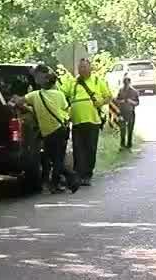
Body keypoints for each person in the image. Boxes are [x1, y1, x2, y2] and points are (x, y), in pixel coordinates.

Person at [18, 65, 77, 193]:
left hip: (48, 133)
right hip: (60, 129)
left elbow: (19, 102)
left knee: (53, 159)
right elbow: (66, 110)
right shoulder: (59, 95)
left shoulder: (35, 95)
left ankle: (68, 180)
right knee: (57, 159)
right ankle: (60, 183)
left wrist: (31, 110)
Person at [61, 57, 113, 186]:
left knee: (90, 149)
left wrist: (100, 102)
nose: (82, 69)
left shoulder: (97, 81)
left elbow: (108, 96)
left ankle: (87, 174)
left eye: (84, 66)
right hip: (77, 122)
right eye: (80, 67)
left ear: (90, 68)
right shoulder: (72, 82)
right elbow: (61, 93)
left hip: (93, 121)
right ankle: (78, 174)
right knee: (78, 150)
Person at [115, 76, 140, 150]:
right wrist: (121, 101)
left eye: (127, 83)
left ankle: (129, 144)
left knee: (130, 129)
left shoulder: (134, 91)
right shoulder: (121, 90)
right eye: (125, 83)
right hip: (122, 112)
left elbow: (137, 102)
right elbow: (117, 100)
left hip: (130, 112)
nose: (126, 84)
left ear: (129, 82)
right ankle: (122, 144)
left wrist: (131, 101)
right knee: (122, 129)